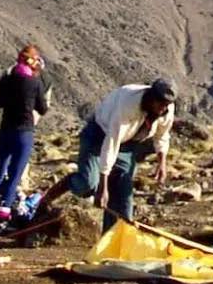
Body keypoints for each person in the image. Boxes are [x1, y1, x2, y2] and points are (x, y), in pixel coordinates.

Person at [33, 78, 177, 229]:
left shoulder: (166, 109)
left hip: (128, 143)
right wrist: (103, 188)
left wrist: (162, 164)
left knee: (123, 197)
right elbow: (111, 143)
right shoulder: (128, 104)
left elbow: (162, 135)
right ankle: (57, 190)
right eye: (160, 103)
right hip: (99, 134)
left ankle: (113, 240)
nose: (163, 108)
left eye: (166, 104)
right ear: (152, 97)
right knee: (88, 183)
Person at [0, 45, 50, 224]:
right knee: (15, 175)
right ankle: (3, 215)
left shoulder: (7, 79)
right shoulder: (35, 83)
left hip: (5, 131)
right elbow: (43, 108)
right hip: (24, 133)